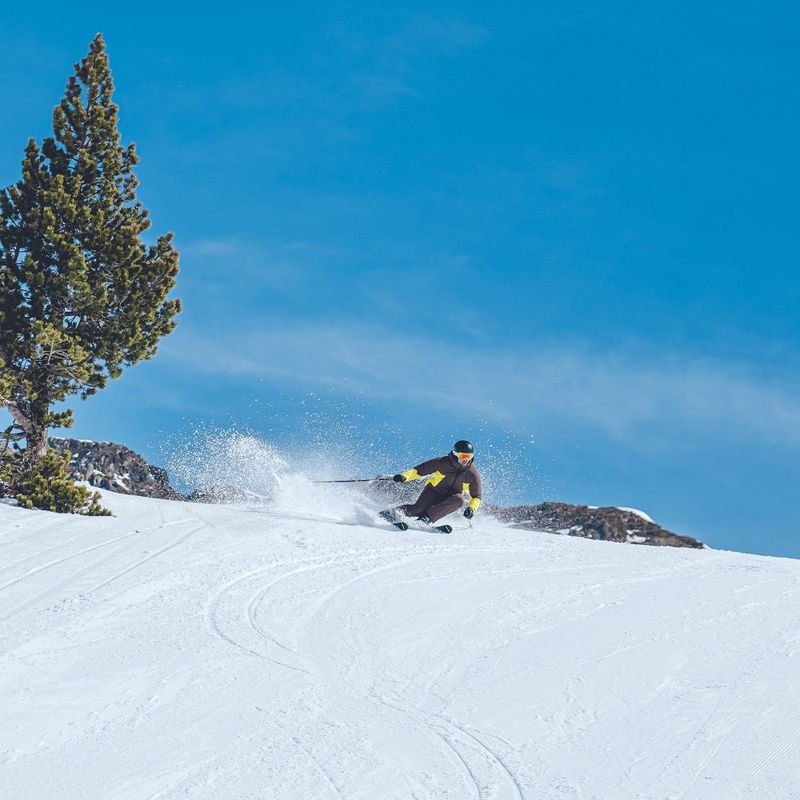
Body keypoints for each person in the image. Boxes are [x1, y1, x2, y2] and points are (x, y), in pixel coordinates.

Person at [381, 440, 482, 525]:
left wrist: (472, 509)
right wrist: (405, 476)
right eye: (463, 456)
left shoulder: (472, 473)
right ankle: (390, 514)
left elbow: (476, 496)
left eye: (469, 457)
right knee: (418, 509)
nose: (466, 460)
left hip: (452, 496)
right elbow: (419, 471)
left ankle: (425, 520)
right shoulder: (442, 462)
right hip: (434, 491)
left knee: (460, 499)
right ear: (456, 455)